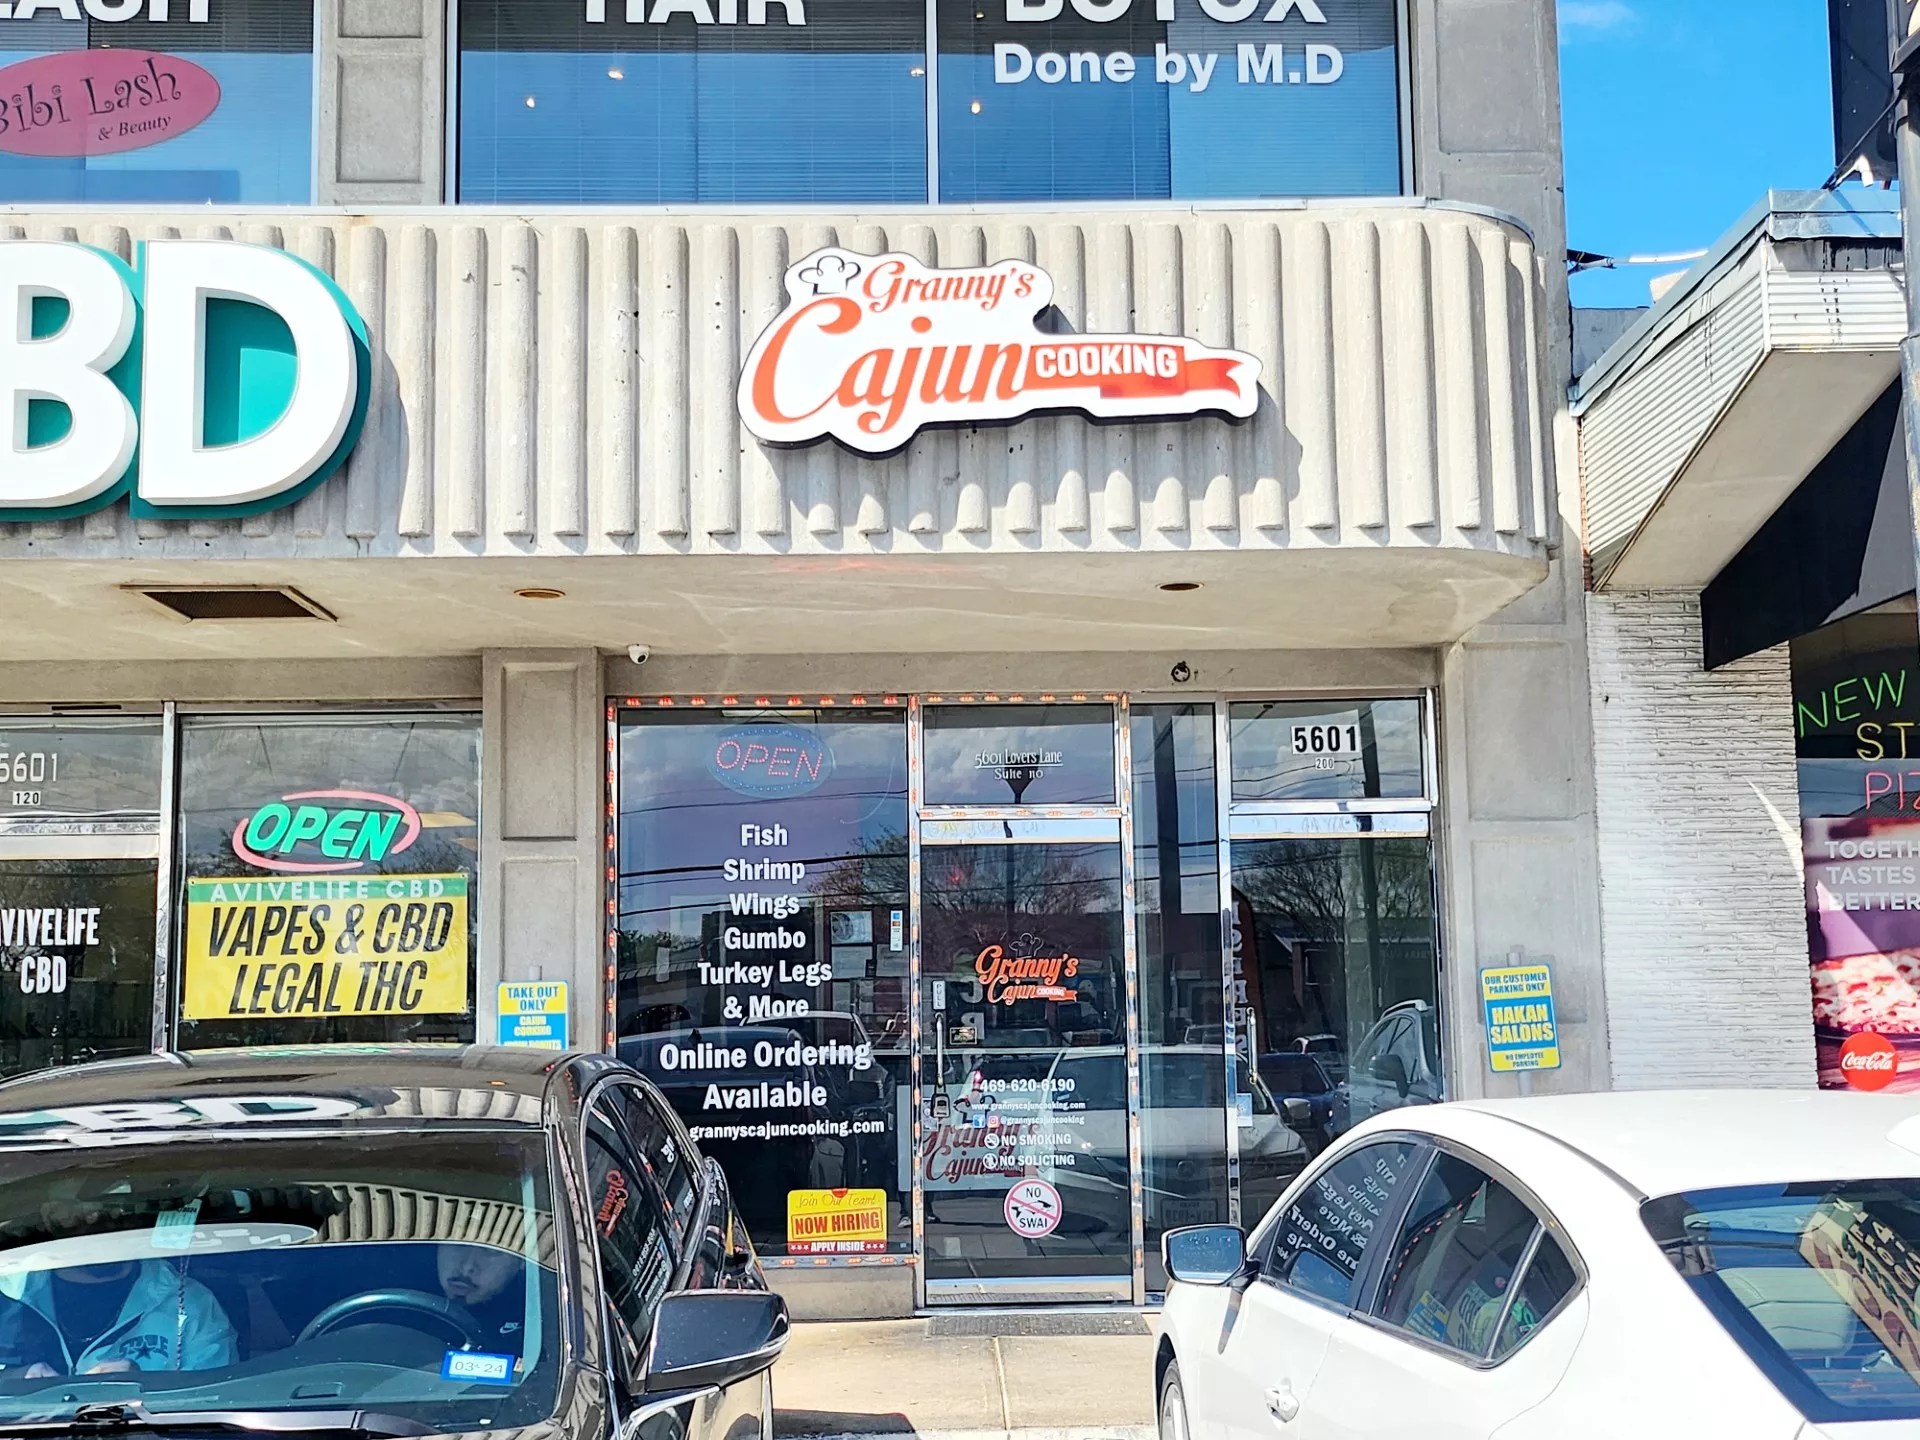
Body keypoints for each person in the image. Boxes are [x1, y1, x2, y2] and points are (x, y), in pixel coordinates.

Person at [16, 1260, 236, 1377]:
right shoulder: (12, 1297)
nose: (95, 1217)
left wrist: (142, 1387)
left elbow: (214, 1398)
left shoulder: (188, 1302)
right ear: (49, 1212)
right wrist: (16, 1380)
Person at [436, 1245, 526, 1349]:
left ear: (522, 1260)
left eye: (492, 1250)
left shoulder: (533, 1333)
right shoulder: (418, 1311)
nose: (467, 1267)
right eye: (457, 1243)